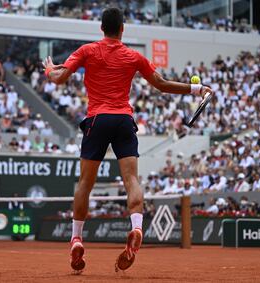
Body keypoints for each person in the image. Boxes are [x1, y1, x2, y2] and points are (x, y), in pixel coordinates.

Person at [43, 7, 212, 273]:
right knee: (131, 179)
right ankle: (136, 227)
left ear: (101, 28)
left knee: (85, 183)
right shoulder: (133, 56)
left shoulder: (87, 50)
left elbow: (60, 78)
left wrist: (49, 70)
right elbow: (161, 84)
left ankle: (76, 238)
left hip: (97, 119)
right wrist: (197, 88)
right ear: (122, 29)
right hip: (123, 120)